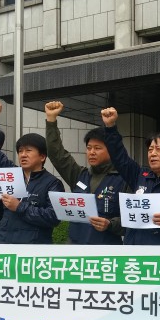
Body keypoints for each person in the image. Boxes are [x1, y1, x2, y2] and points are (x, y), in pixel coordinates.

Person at [101, 107, 160, 245]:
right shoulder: (140, 176)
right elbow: (119, 157)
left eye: (158, 149)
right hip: (133, 251)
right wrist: (110, 127)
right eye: (150, 150)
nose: (152, 154)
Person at [44, 101, 128, 244]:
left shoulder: (124, 179)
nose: (92, 152)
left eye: (97, 148)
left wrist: (110, 224)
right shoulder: (79, 175)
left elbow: (132, 219)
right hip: (76, 250)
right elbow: (57, 155)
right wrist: (51, 121)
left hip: (106, 251)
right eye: (89, 148)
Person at [0, 100, 64, 244]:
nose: (23, 155)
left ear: (42, 156)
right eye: (20, 151)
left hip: (33, 251)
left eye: (28, 150)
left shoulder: (52, 183)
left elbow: (54, 217)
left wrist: (20, 207)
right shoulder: (12, 174)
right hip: (6, 245)